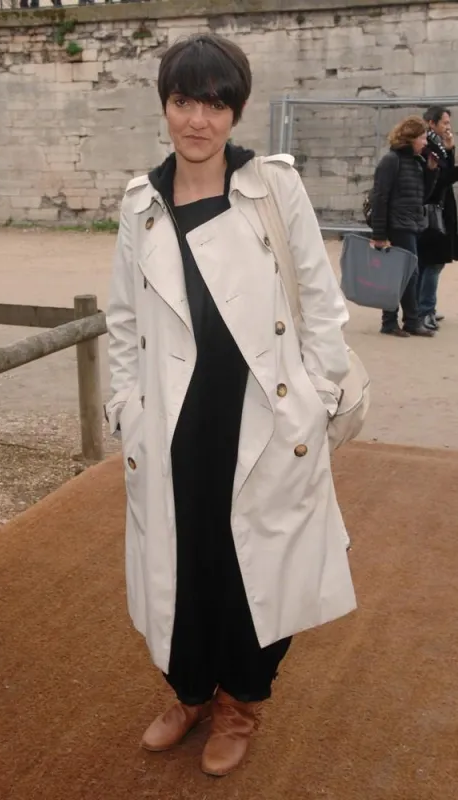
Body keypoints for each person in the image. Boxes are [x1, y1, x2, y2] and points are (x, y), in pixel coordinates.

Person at [106, 33, 356, 777]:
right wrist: (125, 406)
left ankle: (239, 703)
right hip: (172, 423)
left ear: (235, 112)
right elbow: (123, 318)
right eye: (184, 101)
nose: (198, 120)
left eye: (216, 104)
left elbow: (320, 299)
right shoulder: (140, 204)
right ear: (165, 105)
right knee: (182, 565)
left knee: (255, 568)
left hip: (262, 417)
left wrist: (317, 397)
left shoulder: (272, 188)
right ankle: (186, 692)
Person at [370, 116, 438, 338]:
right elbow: (380, 197)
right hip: (397, 224)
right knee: (410, 272)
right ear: (410, 138)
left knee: (399, 273)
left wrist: (430, 171)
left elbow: (423, 196)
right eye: (422, 138)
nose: (425, 143)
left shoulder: (417, 162)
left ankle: (391, 322)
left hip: (411, 222)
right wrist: (379, 234)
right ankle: (410, 320)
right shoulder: (392, 160)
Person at [418, 106, 458, 331]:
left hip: (439, 210)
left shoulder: (439, 147)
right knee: (433, 262)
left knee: (429, 263)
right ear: (431, 124)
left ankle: (425, 307)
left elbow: (444, 175)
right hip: (431, 212)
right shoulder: (428, 148)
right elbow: (439, 179)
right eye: (444, 123)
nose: (448, 127)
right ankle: (424, 310)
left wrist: (450, 151)